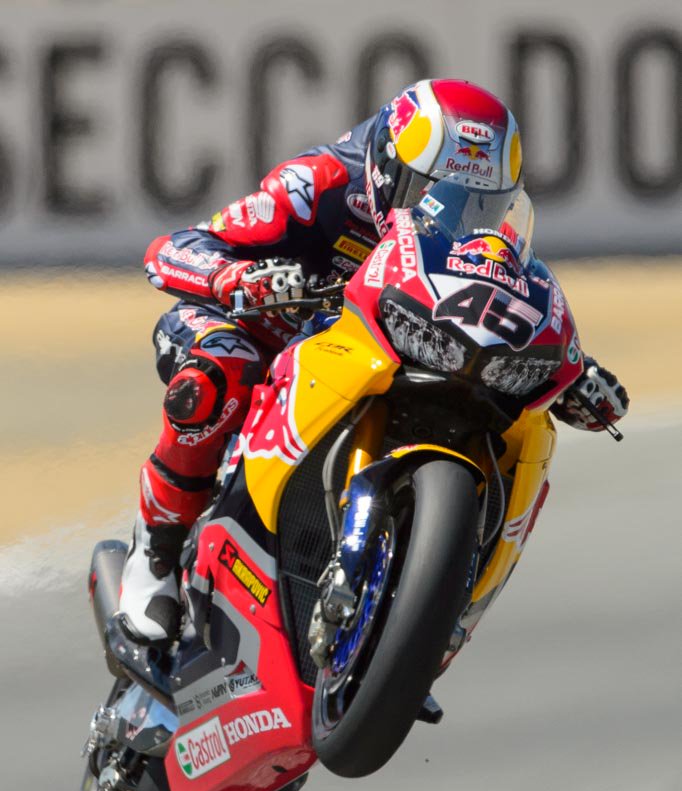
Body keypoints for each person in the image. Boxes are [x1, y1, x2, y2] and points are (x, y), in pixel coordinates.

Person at [117, 78, 629, 647]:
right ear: (387, 169)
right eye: (435, 196)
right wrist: (235, 278)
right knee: (218, 376)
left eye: (480, 204)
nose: (456, 215)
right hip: (259, 330)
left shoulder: (477, 238)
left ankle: (424, 613)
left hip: (371, 350)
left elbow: (497, 300)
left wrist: (568, 370)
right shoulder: (319, 184)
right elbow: (171, 249)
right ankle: (156, 547)